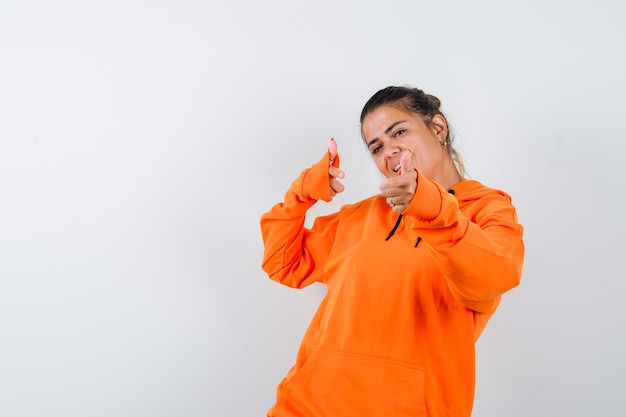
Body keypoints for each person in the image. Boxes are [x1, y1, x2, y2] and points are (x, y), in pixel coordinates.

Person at [259, 85, 525, 417]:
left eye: (399, 131)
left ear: (437, 128)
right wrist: (302, 194)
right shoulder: (359, 216)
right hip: (306, 407)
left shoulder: (488, 210)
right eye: (376, 147)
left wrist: (431, 207)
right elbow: (282, 262)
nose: (389, 151)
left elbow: (494, 277)